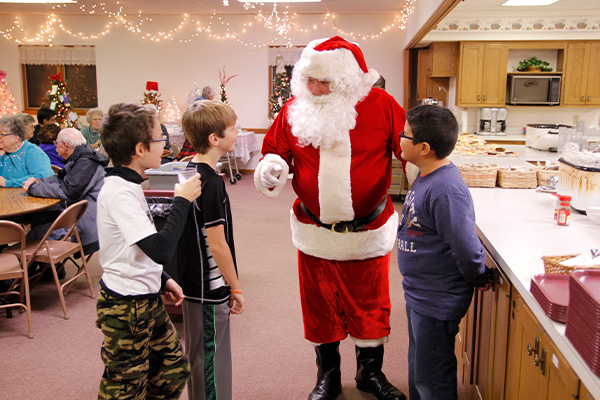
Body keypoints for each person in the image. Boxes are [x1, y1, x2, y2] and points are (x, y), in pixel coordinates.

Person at [254, 36, 407, 400]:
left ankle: (370, 375)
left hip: (367, 230)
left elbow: (410, 149)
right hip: (314, 232)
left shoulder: (382, 105)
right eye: (309, 79)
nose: (315, 88)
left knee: (370, 307)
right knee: (319, 308)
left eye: (324, 81)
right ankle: (328, 377)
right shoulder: (294, 108)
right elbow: (274, 151)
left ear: (347, 81)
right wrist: (270, 169)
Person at [95, 102, 201, 399]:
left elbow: (137, 247)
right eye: (160, 139)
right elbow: (160, 249)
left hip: (146, 295)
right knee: (125, 387)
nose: (164, 144)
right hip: (126, 305)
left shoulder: (129, 185)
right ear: (140, 149)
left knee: (170, 371)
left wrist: (163, 278)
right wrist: (182, 201)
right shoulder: (119, 192)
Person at [396, 105, 492, 400]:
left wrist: (478, 275)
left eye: (405, 135)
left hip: (437, 299)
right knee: (419, 369)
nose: (399, 139)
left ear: (424, 148)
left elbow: (464, 245)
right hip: (419, 293)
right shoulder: (425, 176)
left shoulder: (446, 190)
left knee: (433, 379)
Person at [178, 100, 245, 400]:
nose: (237, 133)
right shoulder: (212, 183)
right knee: (211, 361)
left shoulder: (189, 172)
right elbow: (217, 243)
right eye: (233, 129)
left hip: (194, 284)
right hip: (209, 287)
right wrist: (236, 287)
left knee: (200, 356)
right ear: (214, 139)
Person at [23, 128, 109, 255]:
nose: (55, 145)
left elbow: (68, 191)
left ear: (65, 146)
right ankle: (51, 270)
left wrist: (33, 188)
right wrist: (38, 182)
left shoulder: (86, 162)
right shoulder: (81, 157)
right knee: (40, 218)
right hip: (82, 213)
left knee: (34, 236)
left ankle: (27, 272)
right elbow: (60, 179)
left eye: (56, 143)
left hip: (87, 221)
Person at [0, 115, 53, 188]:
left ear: (16, 137)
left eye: (2, 134)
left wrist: (8, 183)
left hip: (31, 197)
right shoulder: (2, 152)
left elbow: (41, 177)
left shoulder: (33, 152)